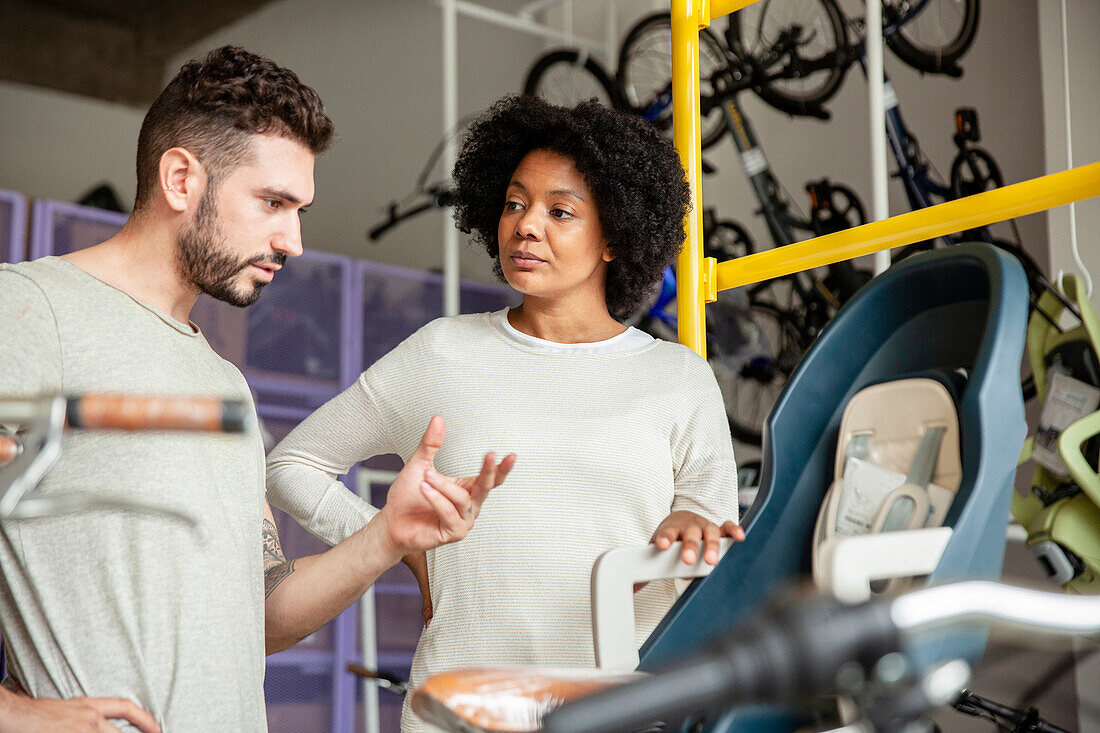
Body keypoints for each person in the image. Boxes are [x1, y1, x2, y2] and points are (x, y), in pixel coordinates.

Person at [0, 46, 511, 732]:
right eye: (273, 203)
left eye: (298, 209)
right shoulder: (30, 310)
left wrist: (387, 535)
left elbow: (264, 616)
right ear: (181, 178)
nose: (293, 240)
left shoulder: (226, 385)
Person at [266, 95, 744, 732]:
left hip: (621, 716)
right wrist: (401, 549)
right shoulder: (444, 352)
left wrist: (690, 521)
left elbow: (718, 551)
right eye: (515, 202)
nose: (526, 225)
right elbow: (292, 465)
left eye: (560, 211)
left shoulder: (677, 378)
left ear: (614, 238)